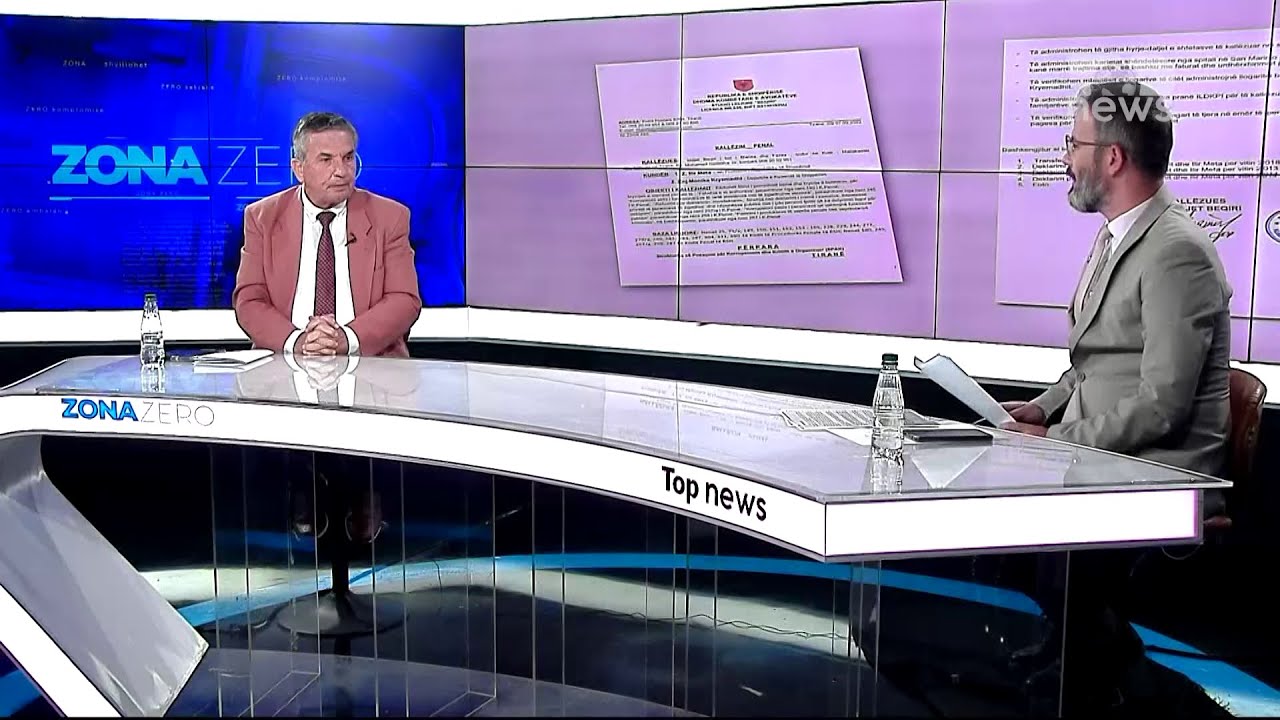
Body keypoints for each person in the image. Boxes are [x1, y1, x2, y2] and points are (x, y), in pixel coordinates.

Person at [997, 82, 1234, 715]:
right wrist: (1043, 409)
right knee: (1006, 530)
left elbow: (1163, 404)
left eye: (1072, 144)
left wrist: (1056, 444)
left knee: (1055, 549)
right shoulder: (1117, 237)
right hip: (1106, 456)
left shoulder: (1176, 254)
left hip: (1162, 469)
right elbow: (1092, 363)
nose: (1064, 158)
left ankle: (1110, 670)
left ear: (1112, 158)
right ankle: (1076, 647)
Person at [232, 111, 422, 358]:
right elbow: (249, 300)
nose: (341, 171)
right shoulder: (262, 218)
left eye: (348, 158)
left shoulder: (390, 217)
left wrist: (345, 339)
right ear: (299, 169)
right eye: (326, 160)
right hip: (285, 362)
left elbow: (404, 300)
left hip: (370, 361)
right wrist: (299, 341)